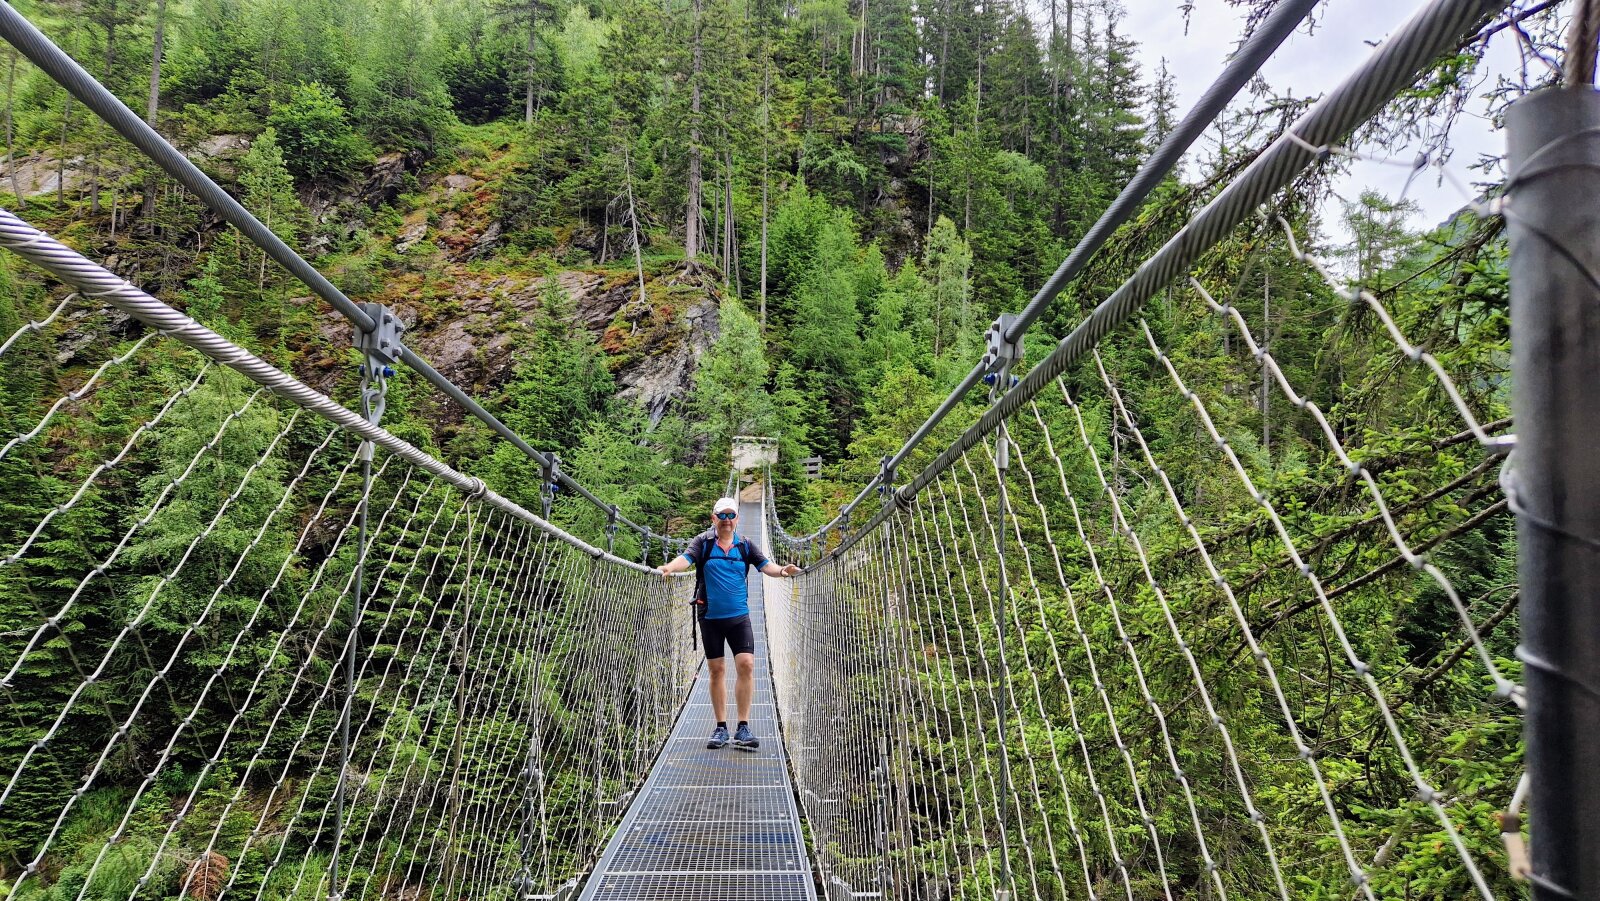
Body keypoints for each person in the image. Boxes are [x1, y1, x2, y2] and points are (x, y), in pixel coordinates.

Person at [658, 496, 799, 750]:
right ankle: (721, 727)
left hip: (739, 617)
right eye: (721, 516)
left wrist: (782, 571)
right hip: (709, 617)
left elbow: (766, 565)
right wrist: (669, 568)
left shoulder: (745, 545)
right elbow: (686, 559)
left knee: (746, 665)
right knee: (717, 670)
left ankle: (743, 727)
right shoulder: (703, 543)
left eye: (730, 516)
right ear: (714, 519)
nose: (726, 520)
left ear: (737, 519)